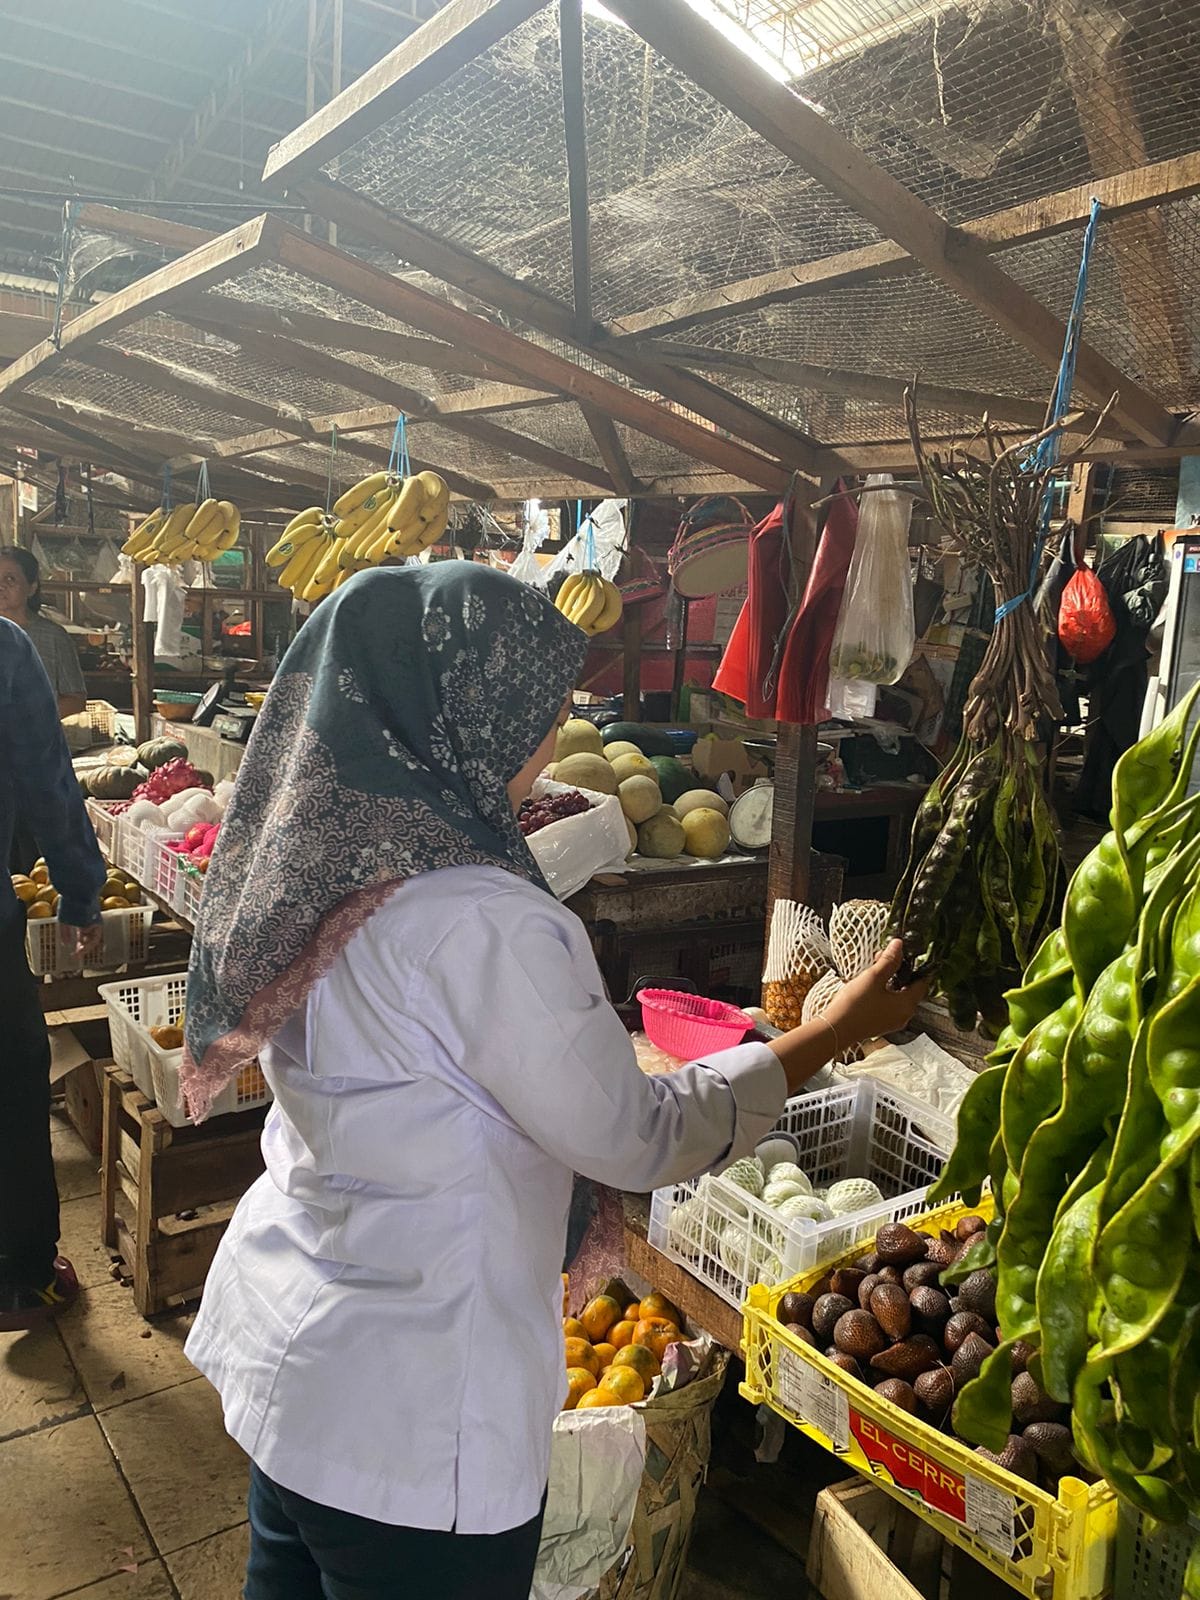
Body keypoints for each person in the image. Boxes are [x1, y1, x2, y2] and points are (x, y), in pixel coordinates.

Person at [181, 563, 926, 1600]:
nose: (555, 723)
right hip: (411, 1418)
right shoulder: (480, 917)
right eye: (542, 701)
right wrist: (829, 1033)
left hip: (293, 1367)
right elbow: (639, 1136)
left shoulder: (324, 867)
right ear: (471, 714)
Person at [0, 617, 105, 1330]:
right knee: (10, 1082)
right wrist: (79, 892)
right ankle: (23, 1278)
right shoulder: (5, 647)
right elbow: (47, 778)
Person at [0, 546, 88, 719]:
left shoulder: (53, 637)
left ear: (32, 588)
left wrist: (30, 720)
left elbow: (75, 700)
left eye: (10, 579)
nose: (0, 586)